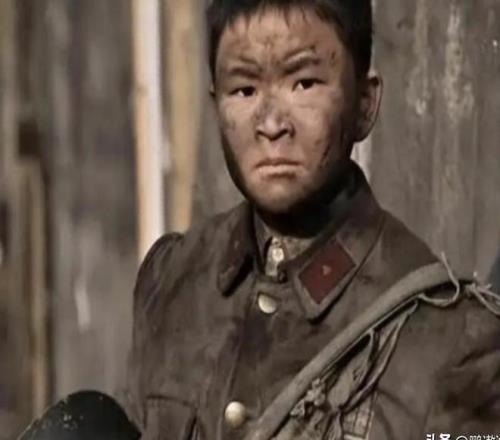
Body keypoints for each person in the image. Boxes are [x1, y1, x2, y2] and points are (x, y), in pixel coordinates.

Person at [125, 1, 500, 438]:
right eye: (244, 90)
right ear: (216, 105)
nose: (270, 124)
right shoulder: (173, 279)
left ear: (365, 103)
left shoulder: (451, 341)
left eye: (303, 84)